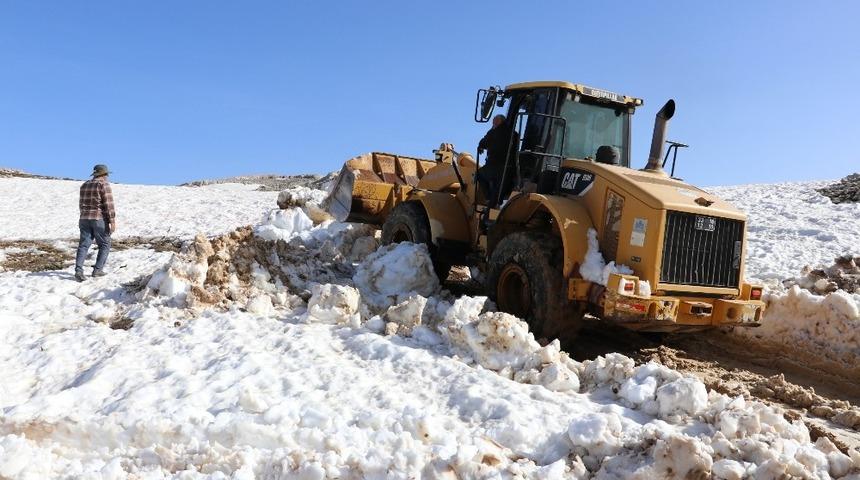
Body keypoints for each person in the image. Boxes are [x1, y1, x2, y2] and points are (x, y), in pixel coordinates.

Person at [75, 164, 116, 282]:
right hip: (99, 218)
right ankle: (97, 270)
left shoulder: (84, 185)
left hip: (84, 218)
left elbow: (81, 203)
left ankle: (78, 270)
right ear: (104, 174)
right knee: (105, 244)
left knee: (83, 244)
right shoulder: (103, 185)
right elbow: (109, 204)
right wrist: (112, 221)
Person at [477, 114, 515, 207]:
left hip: (495, 166)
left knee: (479, 174)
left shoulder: (494, 132)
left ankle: (488, 199)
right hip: (510, 168)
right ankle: (497, 202)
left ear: (499, 122)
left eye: (494, 121)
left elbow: (483, 143)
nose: (492, 123)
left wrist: (481, 147)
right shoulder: (514, 133)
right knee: (499, 186)